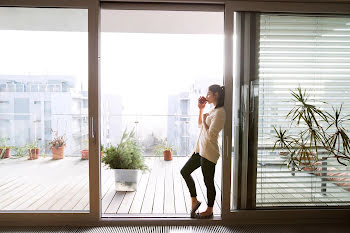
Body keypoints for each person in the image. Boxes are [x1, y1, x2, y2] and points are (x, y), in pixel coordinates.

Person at [180, 84, 226, 219]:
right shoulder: (213, 110)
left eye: (208, 94)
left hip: (209, 152)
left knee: (208, 182)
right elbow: (200, 125)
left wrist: (206, 121)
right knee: (184, 171)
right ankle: (194, 200)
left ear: (216, 95)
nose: (206, 96)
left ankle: (210, 209)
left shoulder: (220, 112)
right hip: (200, 150)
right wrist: (201, 110)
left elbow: (212, 135)